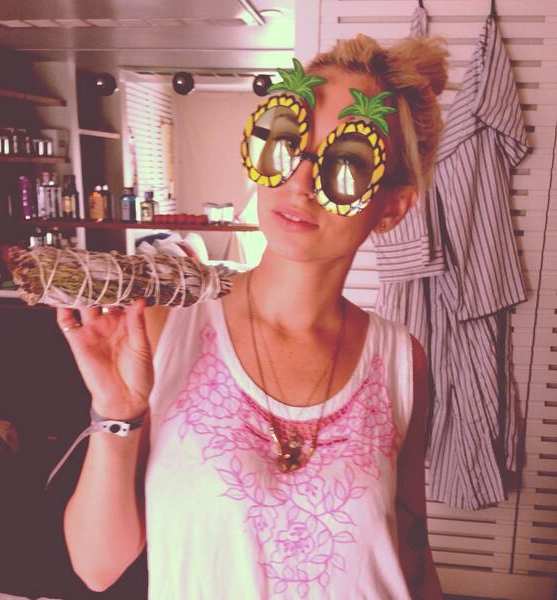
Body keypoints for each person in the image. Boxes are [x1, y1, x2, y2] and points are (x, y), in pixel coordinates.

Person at [56, 32, 447, 599]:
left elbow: (411, 548)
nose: (300, 181)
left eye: (348, 162)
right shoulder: (169, 328)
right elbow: (97, 567)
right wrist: (117, 413)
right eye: (286, 143)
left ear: (393, 206)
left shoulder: (401, 361)